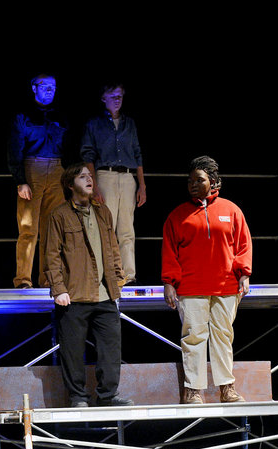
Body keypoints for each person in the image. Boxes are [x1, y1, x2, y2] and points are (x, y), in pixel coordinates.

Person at [162, 156, 252, 404]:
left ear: (212, 182)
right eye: (189, 180)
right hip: (190, 287)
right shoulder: (178, 215)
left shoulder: (231, 210)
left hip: (226, 285)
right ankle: (193, 390)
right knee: (193, 337)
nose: (192, 184)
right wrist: (169, 282)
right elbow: (169, 251)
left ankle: (227, 387)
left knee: (223, 335)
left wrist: (244, 273)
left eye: (198, 180)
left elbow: (243, 245)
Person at [44, 162, 133, 408]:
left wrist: (118, 281)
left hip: (105, 293)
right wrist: (58, 288)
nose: (89, 179)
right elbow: (51, 254)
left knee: (111, 348)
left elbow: (113, 248)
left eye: (90, 175)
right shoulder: (59, 215)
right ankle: (78, 397)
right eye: (82, 176)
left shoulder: (103, 212)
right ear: (70, 184)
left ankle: (108, 396)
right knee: (73, 351)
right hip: (74, 294)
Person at [80, 82, 146, 284]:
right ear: (103, 98)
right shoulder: (94, 124)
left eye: (120, 96)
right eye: (113, 96)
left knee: (126, 228)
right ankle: (106, 272)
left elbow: (137, 153)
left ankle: (128, 274)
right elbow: (87, 154)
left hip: (127, 177)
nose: (117, 100)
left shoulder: (129, 123)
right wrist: (94, 185)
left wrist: (142, 185)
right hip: (105, 175)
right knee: (105, 226)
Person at [8, 73, 68, 288]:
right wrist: (20, 180)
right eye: (45, 86)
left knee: (52, 229)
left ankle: (49, 279)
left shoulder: (60, 114)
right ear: (34, 88)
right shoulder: (23, 115)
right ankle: (23, 279)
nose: (50, 90)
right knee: (28, 228)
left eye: (53, 86)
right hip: (32, 168)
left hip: (57, 169)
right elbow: (14, 150)